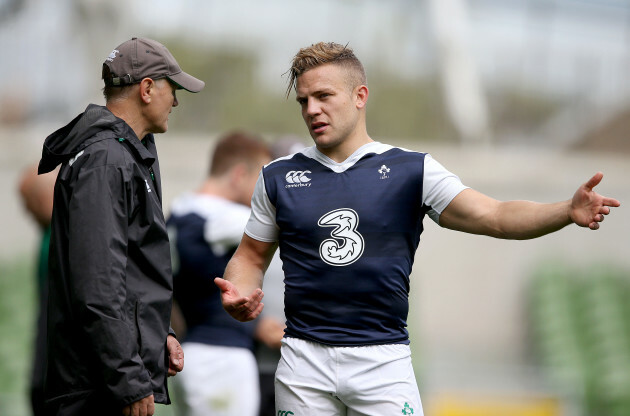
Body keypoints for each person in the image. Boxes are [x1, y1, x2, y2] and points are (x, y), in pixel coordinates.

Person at [214, 42, 621, 416]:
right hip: (303, 361)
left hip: (382, 362)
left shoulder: (412, 170)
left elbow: (494, 215)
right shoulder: (278, 176)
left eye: (324, 96)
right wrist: (239, 291)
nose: (312, 110)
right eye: (304, 101)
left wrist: (565, 210)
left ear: (360, 97)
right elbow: (250, 257)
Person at [37, 37, 204, 416]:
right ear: (147, 89)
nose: (175, 101)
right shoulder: (106, 160)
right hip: (96, 389)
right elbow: (98, 286)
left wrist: (160, 333)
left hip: (106, 380)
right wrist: (129, 379)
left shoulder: (122, 153)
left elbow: (131, 271)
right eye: (172, 88)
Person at [166, 131, 283, 416]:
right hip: (221, 360)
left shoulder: (181, 209)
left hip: (194, 351)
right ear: (239, 174)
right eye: (261, 180)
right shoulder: (218, 217)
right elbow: (287, 225)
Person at [17, 163, 58, 416]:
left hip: (49, 375)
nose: (27, 213)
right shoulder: (52, 237)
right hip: (51, 373)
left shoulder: (55, 238)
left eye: (27, 203)